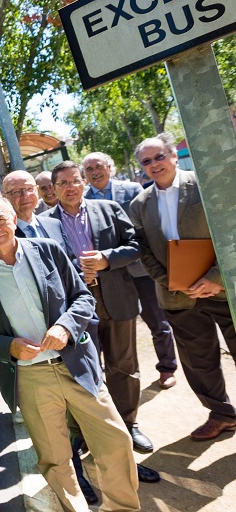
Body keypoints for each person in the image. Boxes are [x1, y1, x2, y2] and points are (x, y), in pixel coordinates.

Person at [0, 196, 139, 511]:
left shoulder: (48, 251)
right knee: (55, 460)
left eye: (0, 219)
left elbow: (82, 297)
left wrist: (66, 327)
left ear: (15, 218)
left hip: (75, 365)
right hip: (30, 378)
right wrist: (8, 347)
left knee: (115, 442)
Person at [44, 161, 154, 456]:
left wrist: (106, 259)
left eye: (75, 181)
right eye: (63, 183)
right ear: (54, 189)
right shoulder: (45, 224)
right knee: (85, 372)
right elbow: (47, 268)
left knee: (124, 366)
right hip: (75, 308)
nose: (70, 187)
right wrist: (78, 275)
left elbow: (135, 245)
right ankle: (86, 433)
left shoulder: (108, 208)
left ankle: (129, 424)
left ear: (84, 183)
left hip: (117, 298)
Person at [131, 135, 236, 441]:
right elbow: (143, 251)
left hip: (223, 288)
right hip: (178, 296)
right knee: (198, 361)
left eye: (159, 157)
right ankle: (222, 415)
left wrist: (215, 278)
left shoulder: (206, 186)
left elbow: (231, 232)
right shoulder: (139, 204)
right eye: (146, 161)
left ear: (174, 155)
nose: (154, 165)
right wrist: (173, 282)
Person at [82, 152, 177, 388]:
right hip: (110, 276)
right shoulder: (82, 200)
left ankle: (167, 368)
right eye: (89, 169)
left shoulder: (132, 190)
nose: (95, 171)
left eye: (99, 166)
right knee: (113, 328)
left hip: (140, 268)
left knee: (157, 320)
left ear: (109, 167)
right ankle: (114, 375)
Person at [2, 171, 74, 257]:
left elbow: (70, 262)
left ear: (37, 190)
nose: (25, 195)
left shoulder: (55, 224)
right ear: (5, 197)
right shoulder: (4, 236)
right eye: (16, 191)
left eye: (29, 189)